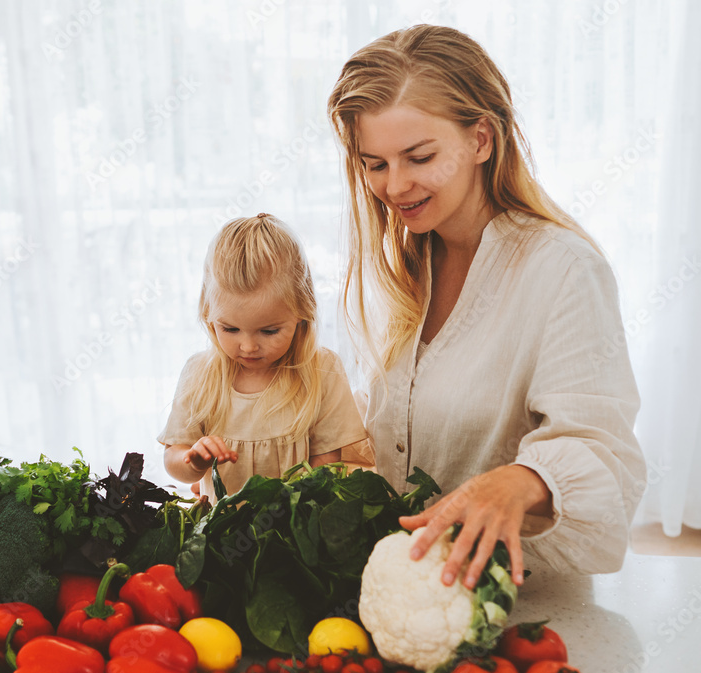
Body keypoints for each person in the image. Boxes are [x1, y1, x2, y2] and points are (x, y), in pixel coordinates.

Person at [326, 25, 645, 589]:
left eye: (418, 157)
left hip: (524, 605)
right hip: (404, 593)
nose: (395, 186)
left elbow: (606, 463)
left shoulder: (564, 271)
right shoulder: (401, 268)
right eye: (374, 164)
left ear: (481, 140)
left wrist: (521, 481)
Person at [160, 213, 371, 499]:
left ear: (302, 314)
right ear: (209, 315)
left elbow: (327, 465)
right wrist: (193, 461)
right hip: (219, 536)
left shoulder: (323, 370)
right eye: (230, 329)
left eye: (269, 331)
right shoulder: (199, 373)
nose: (248, 347)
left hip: (292, 535)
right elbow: (174, 456)